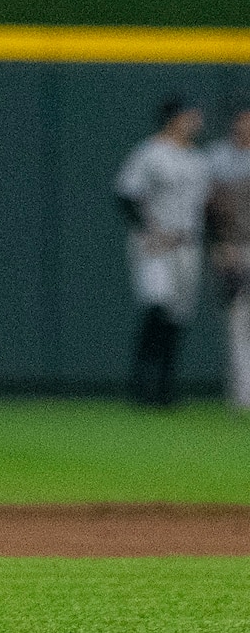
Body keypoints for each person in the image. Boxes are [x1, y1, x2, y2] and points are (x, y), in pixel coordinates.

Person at [116, 98, 210, 408]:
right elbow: (126, 194)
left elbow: (207, 207)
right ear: (173, 118)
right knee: (156, 306)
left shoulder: (198, 159)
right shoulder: (150, 152)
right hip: (155, 245)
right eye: (189, 116)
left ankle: (165, 388)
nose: (195, 122)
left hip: (187, 244)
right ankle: (141, 384)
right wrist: (148, 230)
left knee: (177, 317)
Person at [206, 109, 250, 411]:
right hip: (233, 249)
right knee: (238, 323)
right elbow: (208, 209)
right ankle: (242, 393)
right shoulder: (217, 158)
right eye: (242, 122)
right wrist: (218, 244)